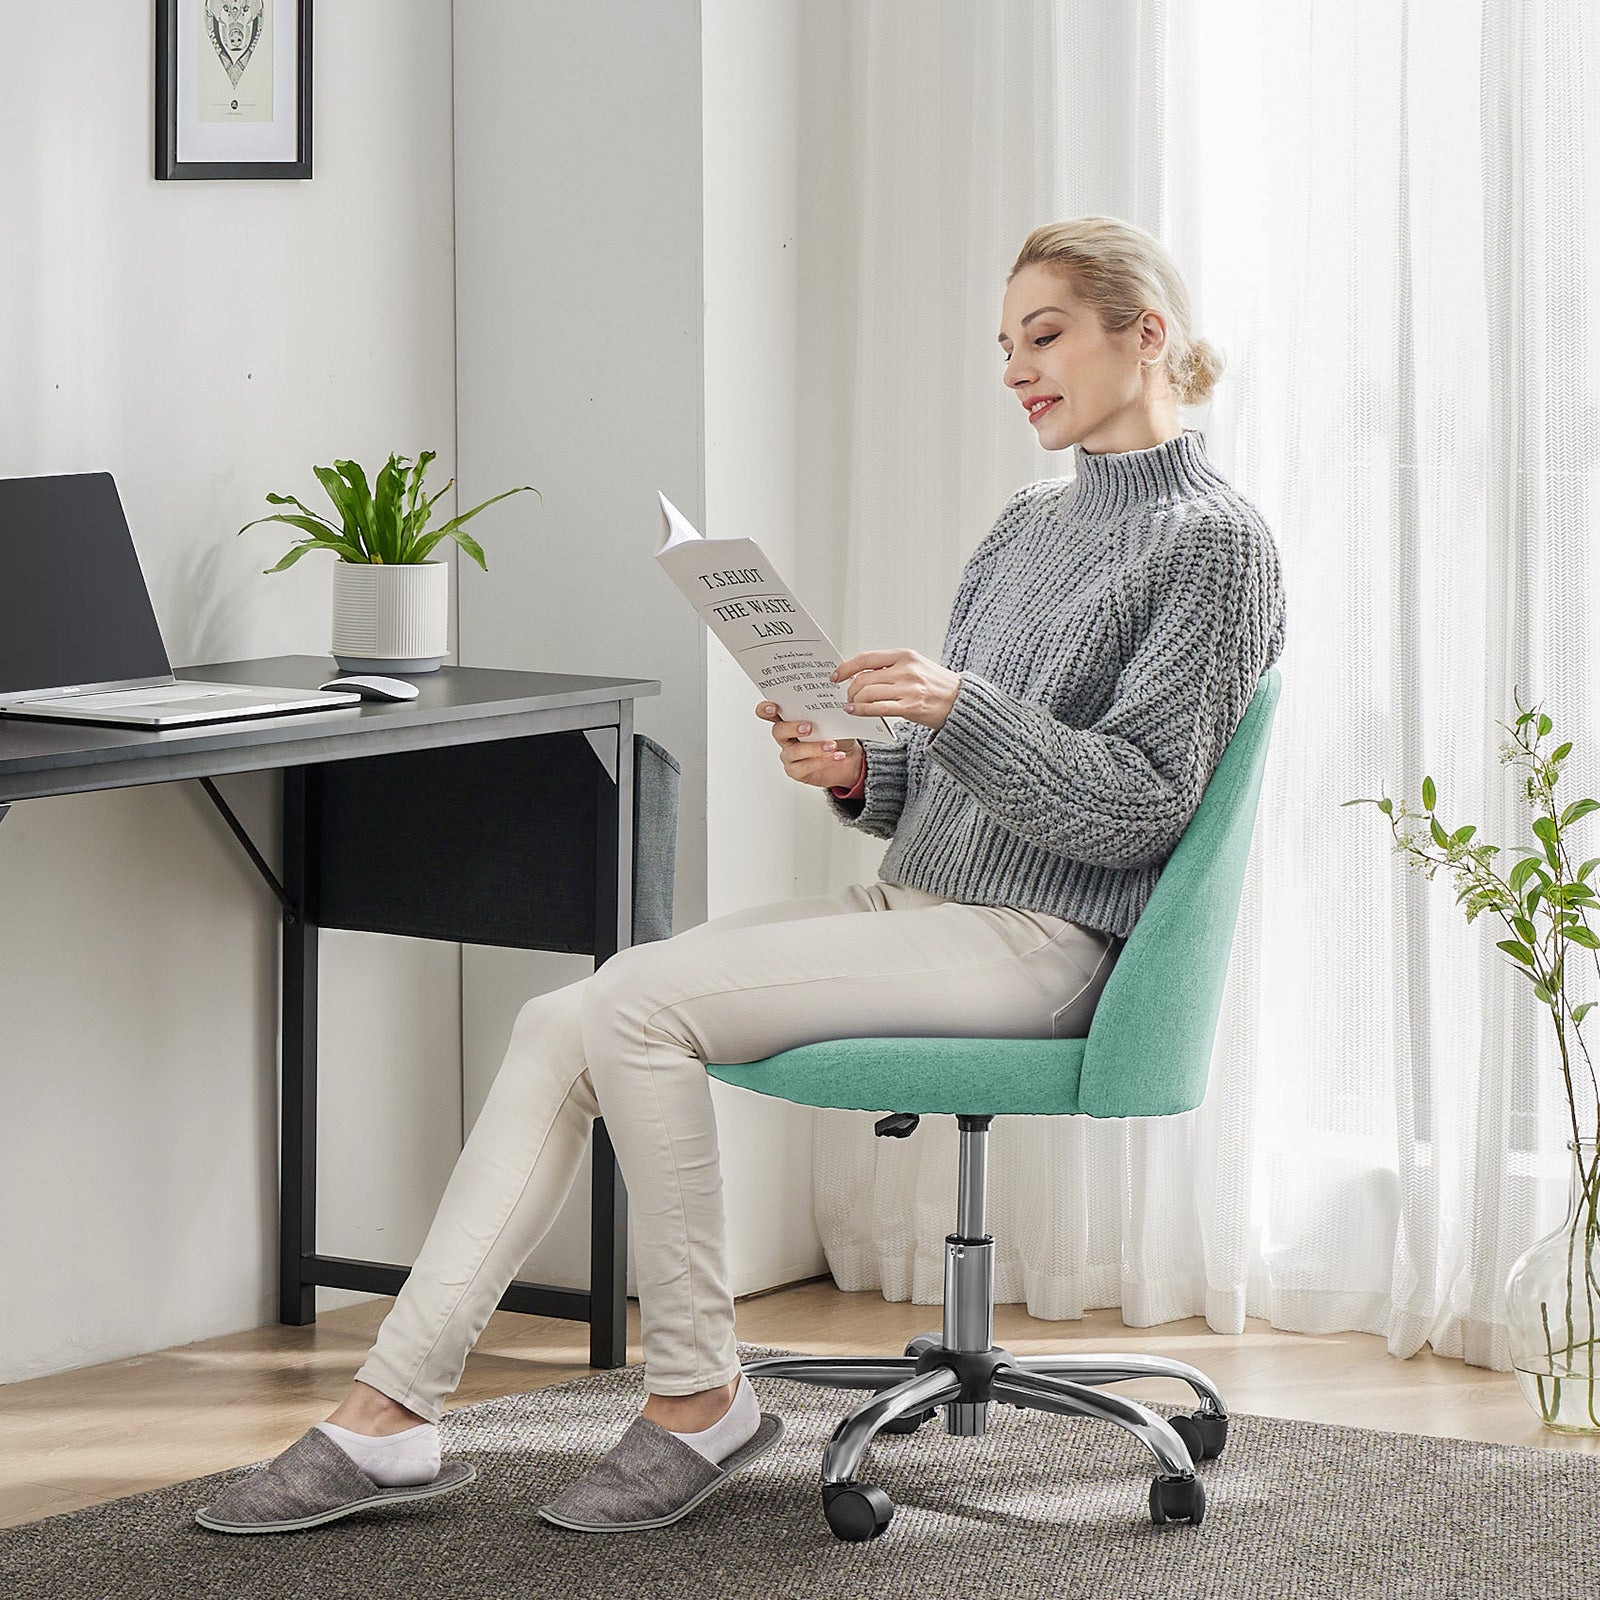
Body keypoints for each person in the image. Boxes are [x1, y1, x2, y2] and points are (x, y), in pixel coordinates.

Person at [195, 215, 1286, 1536]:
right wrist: (858, 768)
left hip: (1048, 941)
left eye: (1044, 337)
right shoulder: (1021, 529)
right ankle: (388, 1417)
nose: (1017, 371)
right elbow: (955, 787)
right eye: (1004, 348)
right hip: (930, 909)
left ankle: (695, 1397)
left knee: (633, 1006)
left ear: (1146, 333)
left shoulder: (1215, 543)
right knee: (565, 1019)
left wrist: (959, 707)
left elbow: (1139, 807)